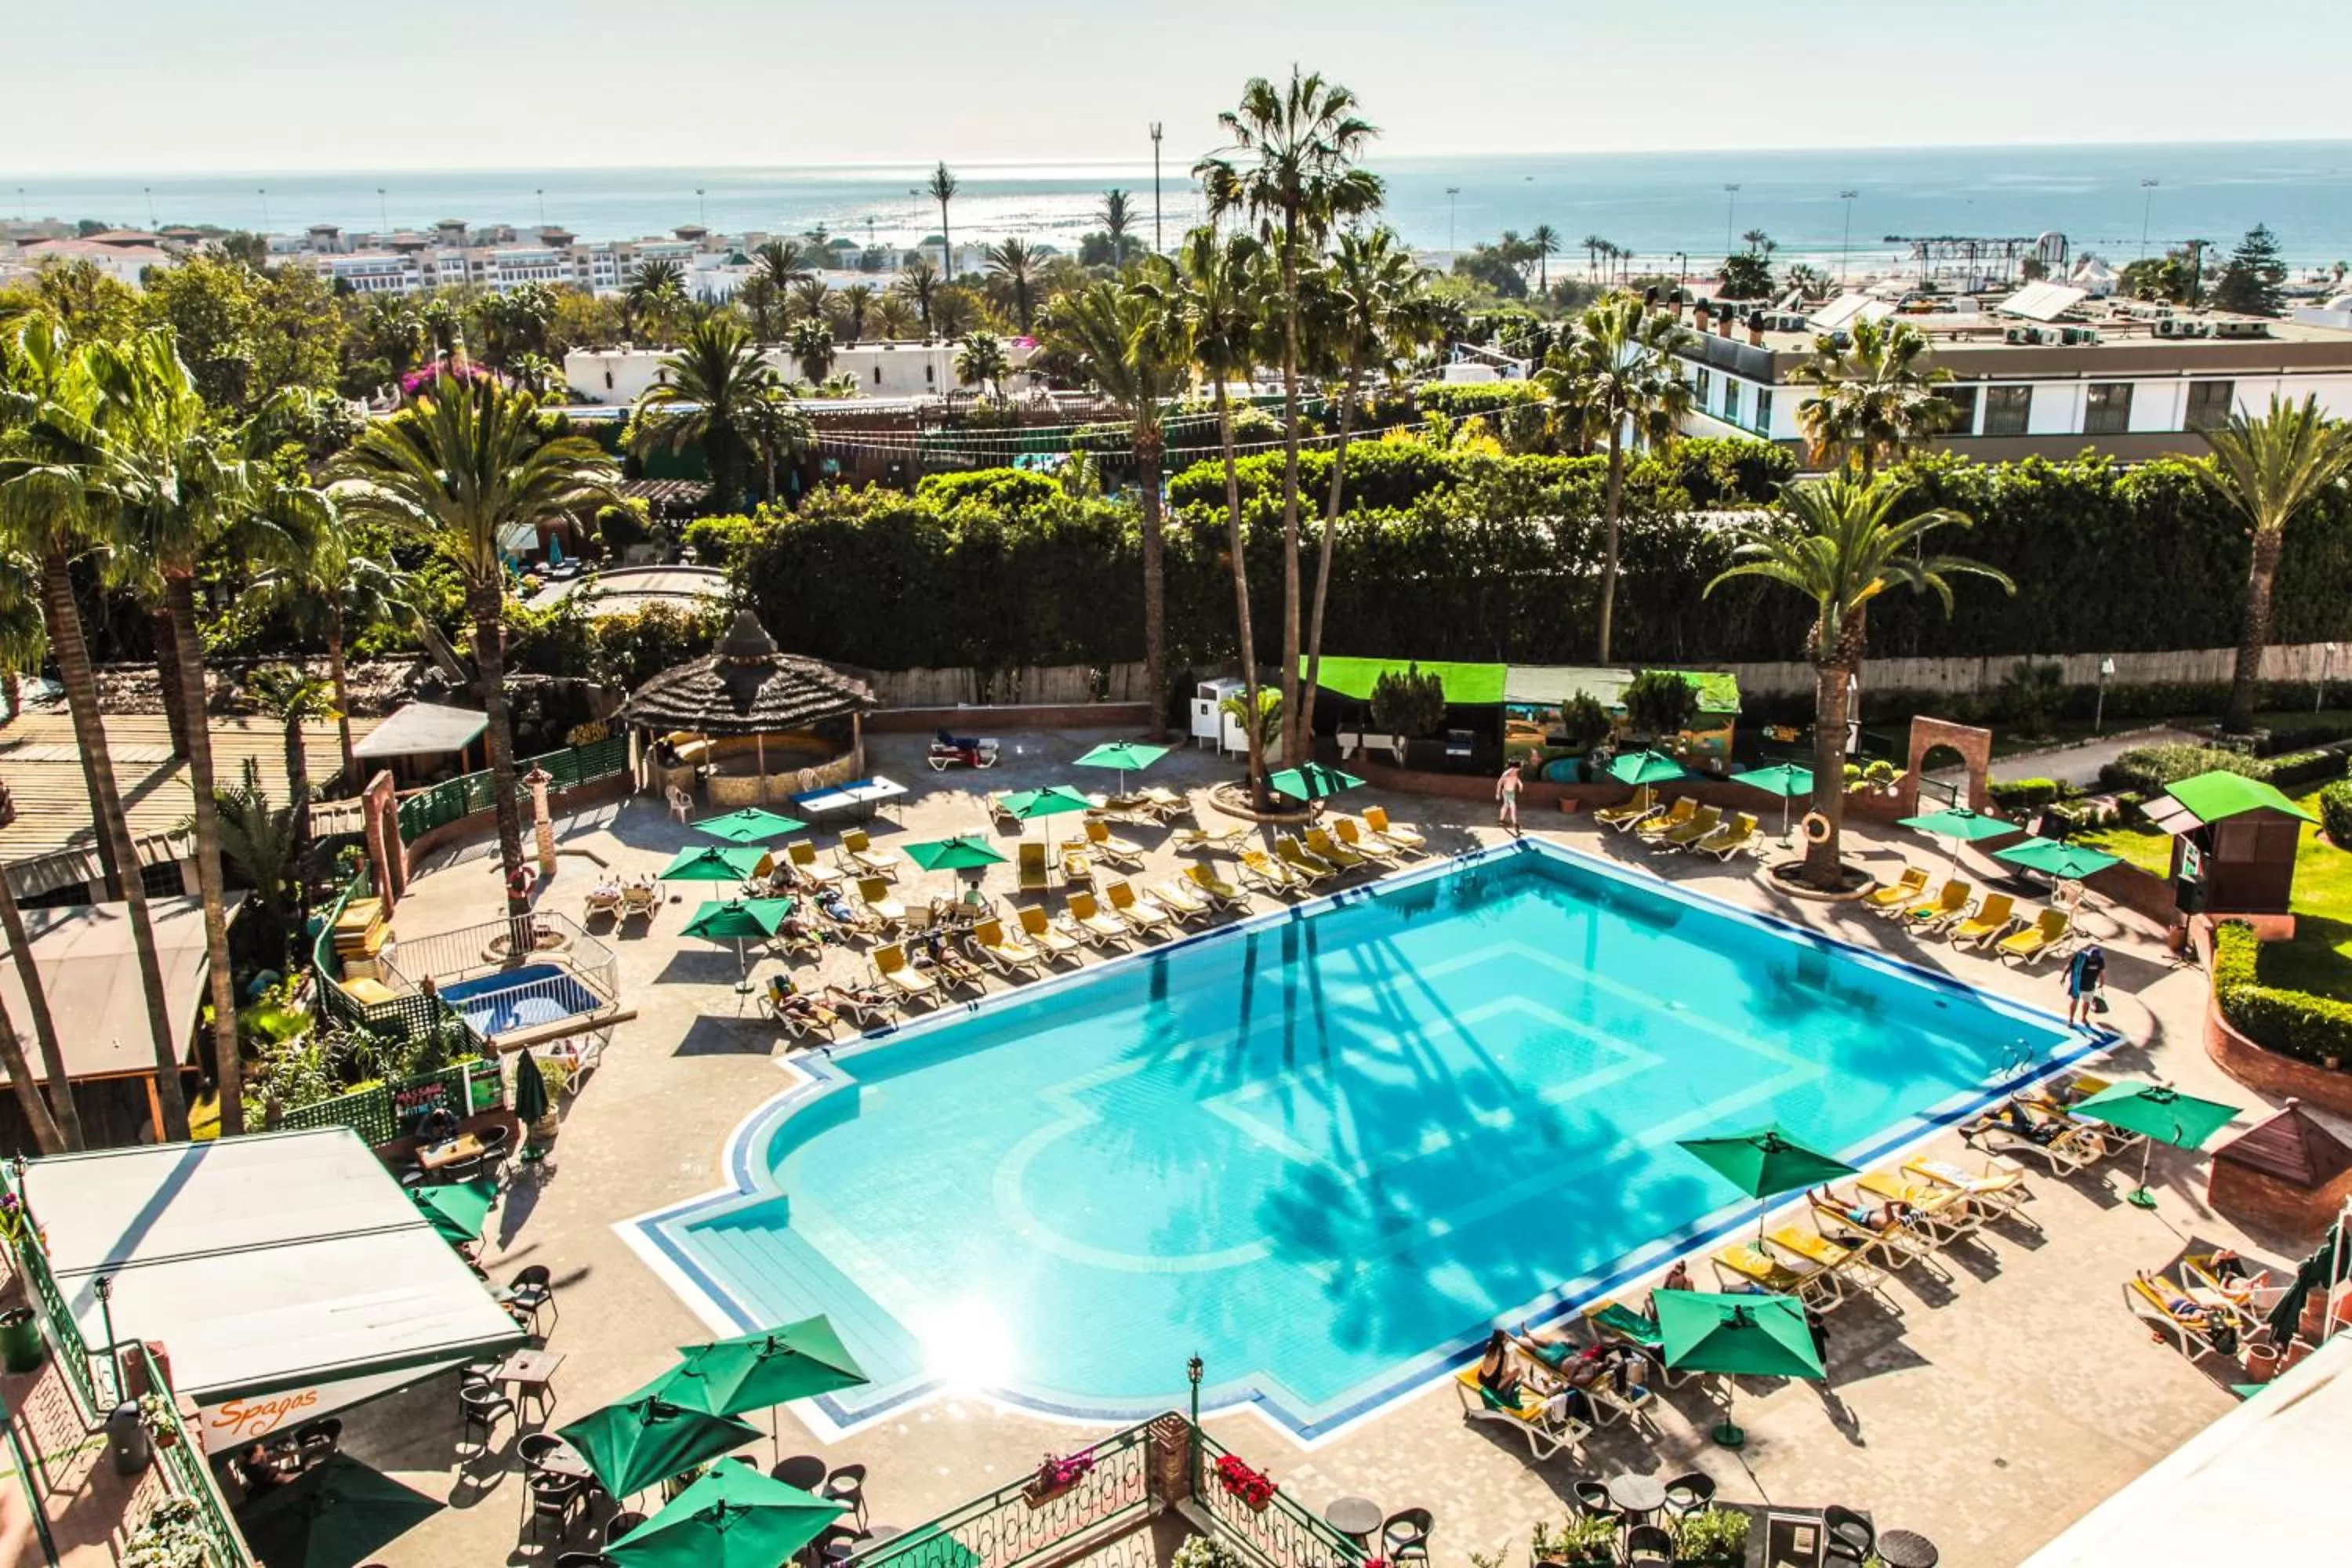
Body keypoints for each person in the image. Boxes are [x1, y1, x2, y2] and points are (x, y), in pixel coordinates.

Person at [2065, 942, 2107, 1028]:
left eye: (2092, 958)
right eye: (2090, 956)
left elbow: (2101, 972)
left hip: (2090, 985)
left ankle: (2084, 1018)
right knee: (2074, 1001)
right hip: (2077, 984)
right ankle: (2071, 1019)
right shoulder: (2080, 957)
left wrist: (2102, 982)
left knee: (2087, 1002)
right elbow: (2069, 966)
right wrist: (2064, 976)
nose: (2090, 958)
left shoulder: (2100, 961)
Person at [1496, 760, 1523, 834]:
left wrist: (1520, 784)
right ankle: (1515, 825)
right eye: (1518, 769)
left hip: (1512, 793)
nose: (1519, 770)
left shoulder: (1515, 772)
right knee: (1513, 808)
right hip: (1507, 793)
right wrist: (1498, 794)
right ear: (1514, 768)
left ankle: (1501, 820)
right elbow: (1499, 784)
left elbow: (1516, 779)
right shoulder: (1506, 774)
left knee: (1505, 806)